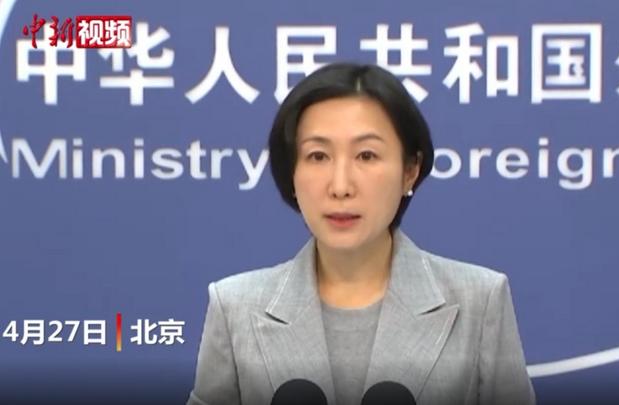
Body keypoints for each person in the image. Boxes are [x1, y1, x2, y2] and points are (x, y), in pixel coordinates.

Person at [187, 63, 535, 405]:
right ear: (291, 173)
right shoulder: (235, 308)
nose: (340, 186)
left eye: (366, 155)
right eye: (318, 156)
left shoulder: (480, 302)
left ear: (410, 171)